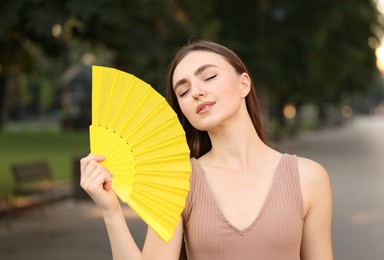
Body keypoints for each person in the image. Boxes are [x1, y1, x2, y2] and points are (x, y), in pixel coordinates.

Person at [80, 40, 333, 259]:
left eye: (209, 77)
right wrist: (111, 211)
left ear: (244, 83)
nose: (197, 93)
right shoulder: (179, 181)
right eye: (184, 91)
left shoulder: (308, 178)